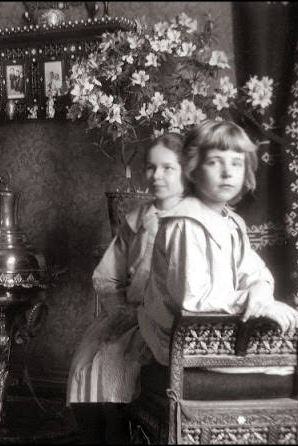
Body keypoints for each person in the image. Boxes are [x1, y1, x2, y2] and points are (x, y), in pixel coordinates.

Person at [137, 120, 298, 444]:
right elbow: (194, 301)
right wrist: (251, 304)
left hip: (220, 330)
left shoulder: (231, 222)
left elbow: (256, 272)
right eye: (215, 162)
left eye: (236, 164)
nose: (227, 173)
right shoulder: (185, 223)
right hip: (186, 340)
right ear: (193, 169)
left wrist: (258, 292)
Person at [67, 133, 186, 443]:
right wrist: (122, 310)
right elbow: (107, 276)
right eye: (151, 167)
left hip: (172, 323)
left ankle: (119, 431)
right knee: (85, 365)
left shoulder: (193, 219)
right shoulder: (137, 220)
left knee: (114, 370)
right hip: (133, 317)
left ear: (187, 170)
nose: (156, 176)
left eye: (168, 168)